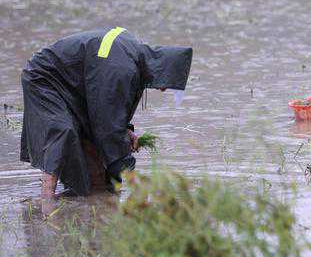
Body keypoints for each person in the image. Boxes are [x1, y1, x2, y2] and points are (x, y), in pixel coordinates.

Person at [20, 27, 193, 199]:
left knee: (99, 178)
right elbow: (108, 126)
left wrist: (125, 130)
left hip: (77, 86)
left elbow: (110, 105)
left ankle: (91, 201)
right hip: (45, 78)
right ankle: (47, 200)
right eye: (167, 83)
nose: (163, 89)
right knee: (63, 131)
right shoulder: (121, 68)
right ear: (162, 68)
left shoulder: (135, 58)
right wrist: (129, 173)